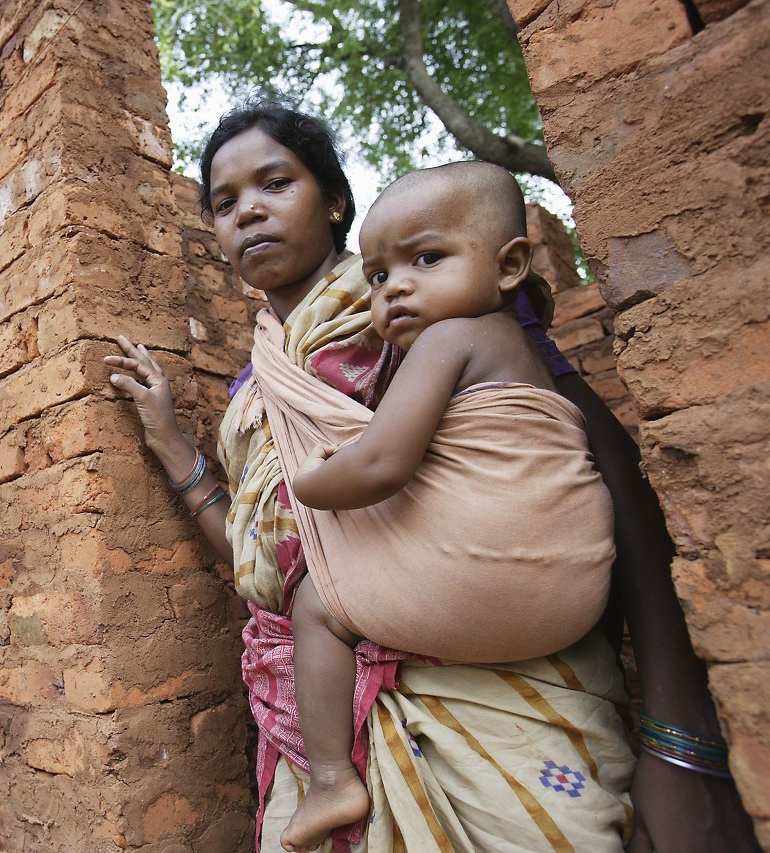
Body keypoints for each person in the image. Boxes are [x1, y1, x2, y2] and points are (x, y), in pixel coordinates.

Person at [105, 102, 757, 851]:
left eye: (276, 183)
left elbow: (598, 469)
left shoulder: (439, 299)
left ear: (335, 201)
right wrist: (170, 443)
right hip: (312, 696)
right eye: (225, 203)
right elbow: (271, 564)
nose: (248, 210)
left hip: (491, 671)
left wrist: (683, 739)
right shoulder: (257, 386)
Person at [277, 161, 617, 851]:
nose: (395, 285)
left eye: (426, 258)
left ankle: (332, 779)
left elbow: (379, 462)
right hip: (574, 599)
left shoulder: (449, 338)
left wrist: (311, 482)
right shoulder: (517, 349)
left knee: (314, 603)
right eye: (376, 276)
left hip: (478, 591)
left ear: (511, 264)